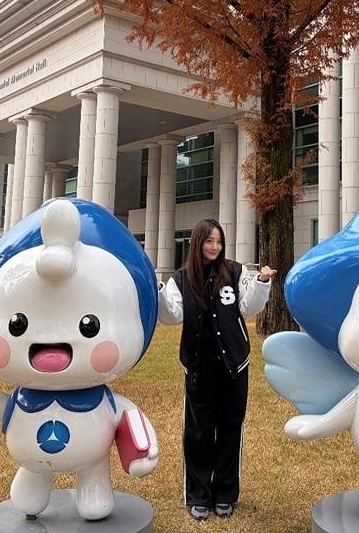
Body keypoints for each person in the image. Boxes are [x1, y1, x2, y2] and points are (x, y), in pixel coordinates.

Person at [158, 218, 275, 520]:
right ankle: (199, 495)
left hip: (234, 365)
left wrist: (261, 283)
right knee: (198, 433)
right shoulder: (181, 279)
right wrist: (158, 291)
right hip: (199, 367)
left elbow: (249, 306)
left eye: (219, 241)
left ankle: (225, 493)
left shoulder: (235, 272)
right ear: (198, 242)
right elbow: (171, 315)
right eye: (209, 241)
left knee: (229, 430)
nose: (215, 247)